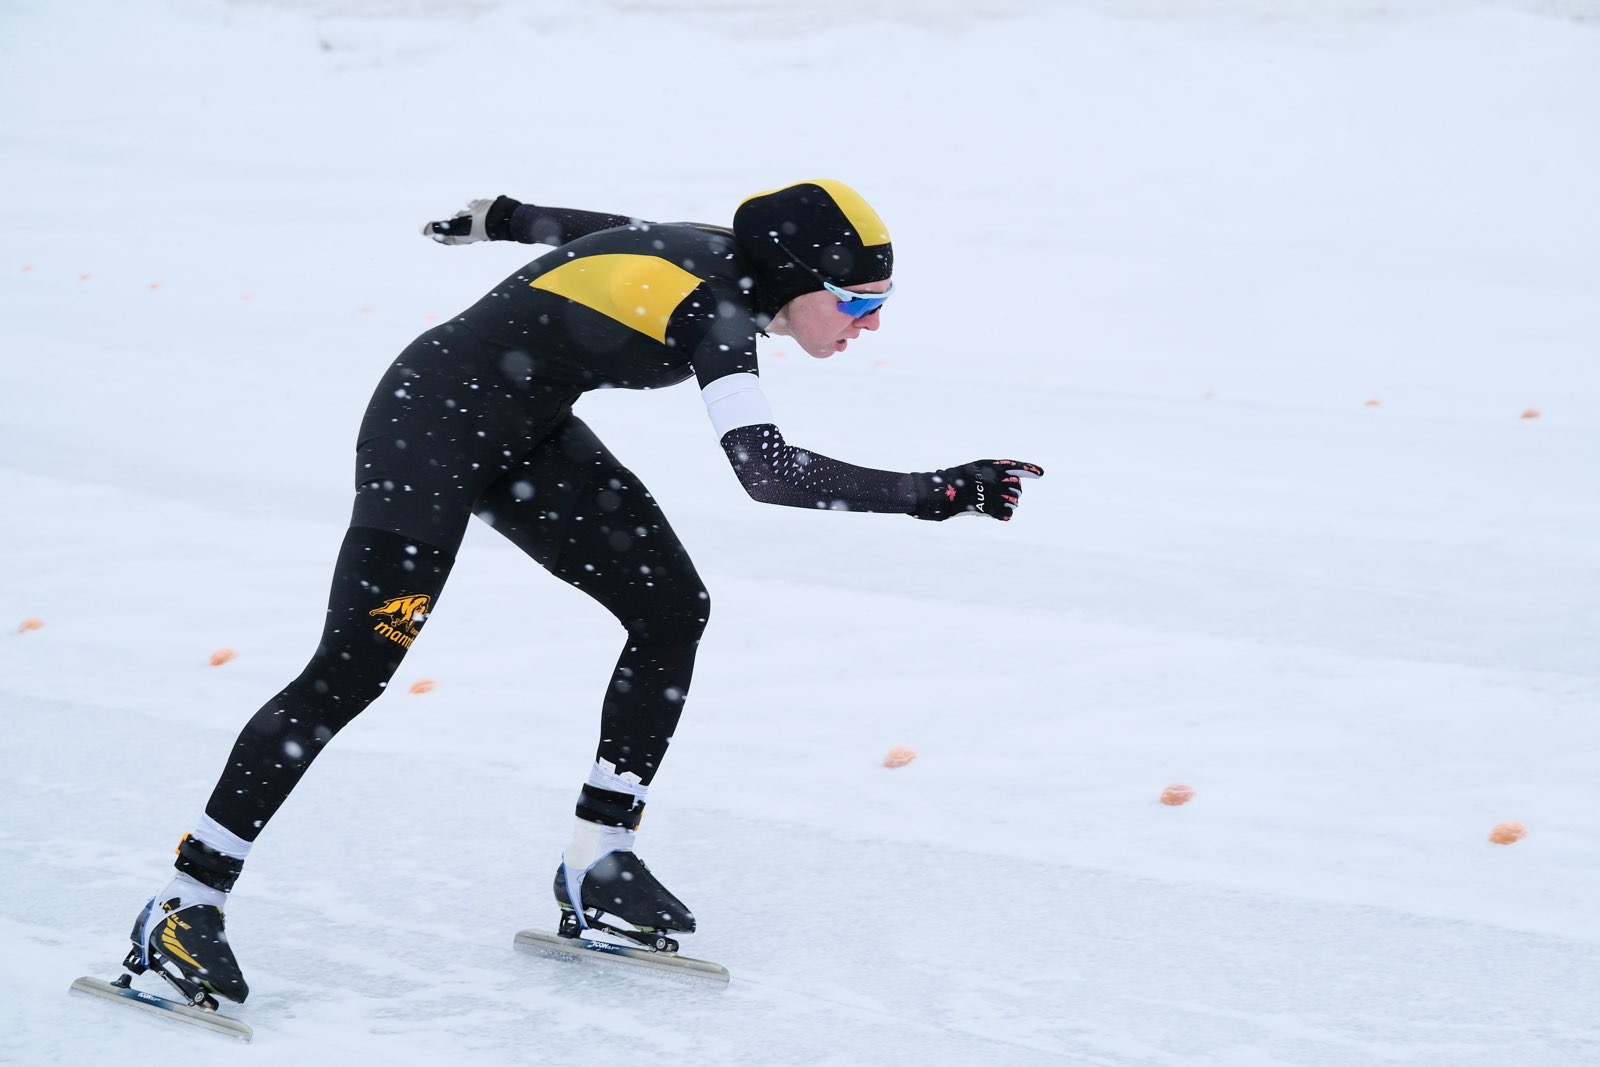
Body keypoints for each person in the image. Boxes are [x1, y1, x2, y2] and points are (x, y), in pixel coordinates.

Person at [122, 179, 1043, 1006]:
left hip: (527, 432)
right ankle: (182, 905)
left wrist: (505, 219)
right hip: (428, 427)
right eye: (857, 302)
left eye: (881, 304)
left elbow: (608, 233)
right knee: (352, 670)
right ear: (797, 277)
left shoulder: (733, 260)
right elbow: (764, 470)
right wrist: (936, 493)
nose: (869, 324)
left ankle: (598, 860)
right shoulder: (719, 304)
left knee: (672, 608)